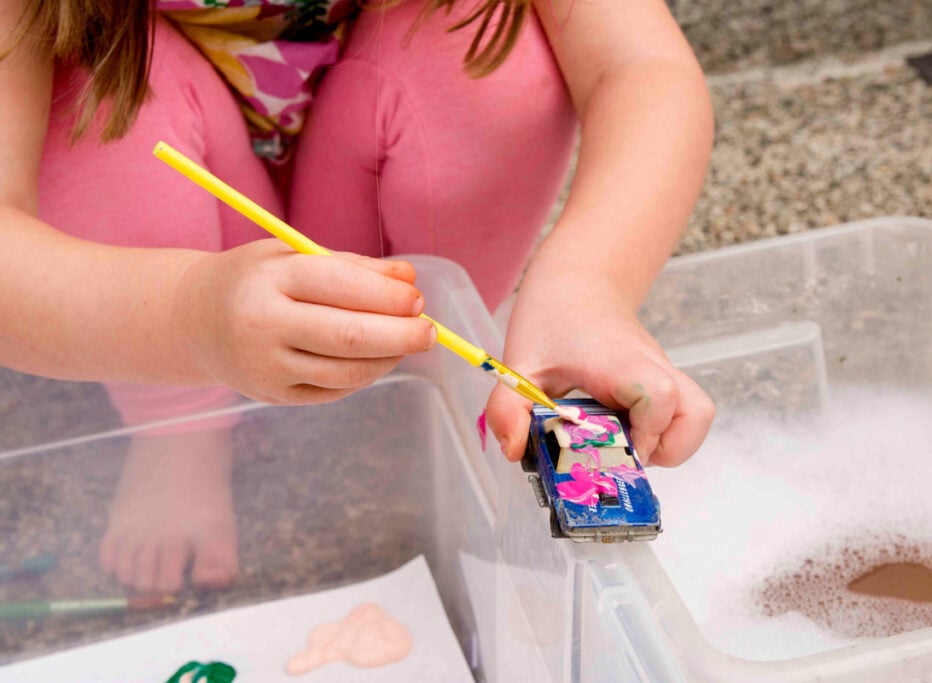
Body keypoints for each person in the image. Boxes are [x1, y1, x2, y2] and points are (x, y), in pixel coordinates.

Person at [0, 0, 715, 593]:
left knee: (492, 44)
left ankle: (418, 366)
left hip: (375, 191)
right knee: (84, 70)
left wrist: (589, 285)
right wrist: (191, 318)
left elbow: (641, 67)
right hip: (186, 227)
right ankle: (179, 428)